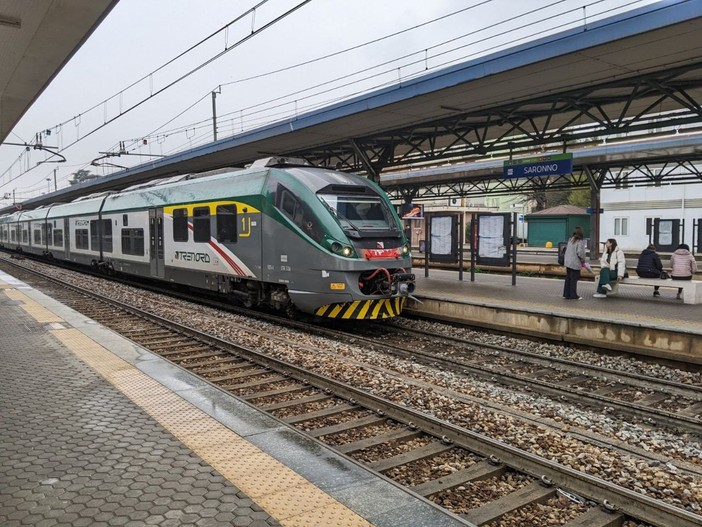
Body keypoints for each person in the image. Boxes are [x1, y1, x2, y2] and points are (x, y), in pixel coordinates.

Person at [562, 226, 587, 300]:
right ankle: (573, 295)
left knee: (568, 278)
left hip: (568, 263)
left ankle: (566, 294)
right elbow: (580, 253)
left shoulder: (570, 240)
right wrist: (583, 260)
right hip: (575, 263)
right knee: (574, 280)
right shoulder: (580, 241)